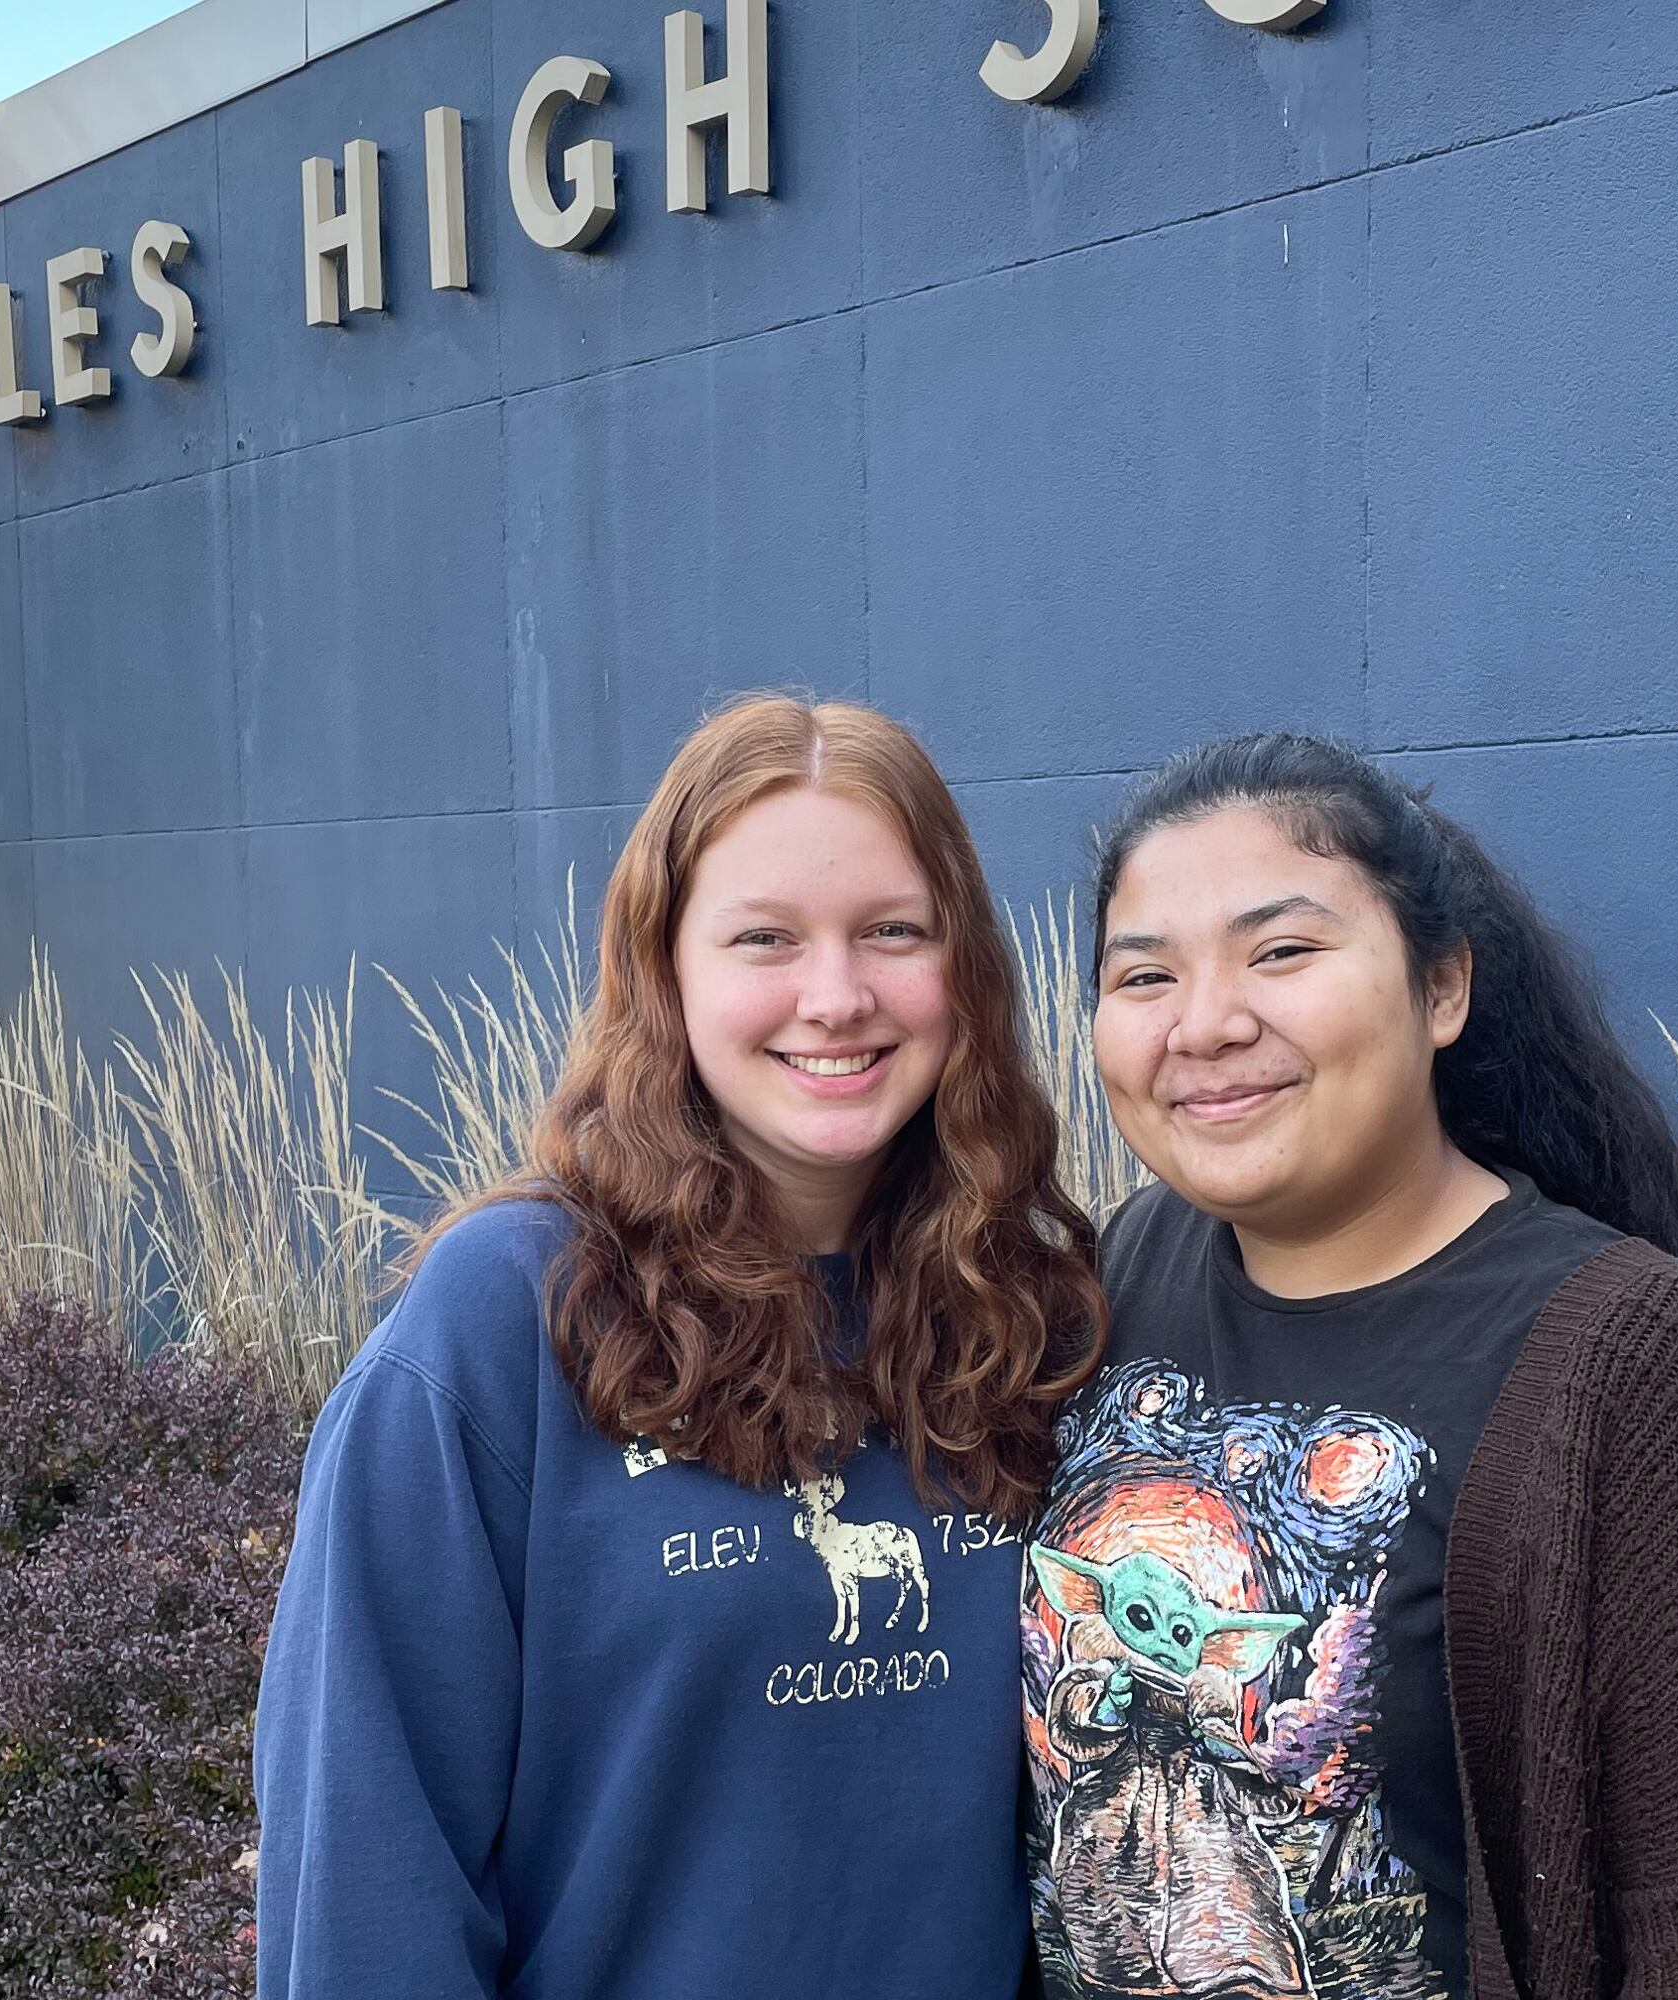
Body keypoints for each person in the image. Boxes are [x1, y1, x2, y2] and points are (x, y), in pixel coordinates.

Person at [256, 696, 1106, 1999]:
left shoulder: (1025, 1315)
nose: (836, 996)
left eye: (893, 931)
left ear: (964, 971)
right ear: (668, 970)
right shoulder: (505, 1326)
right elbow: (370, 1863)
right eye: (765, 937)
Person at [1024, 734, 1678, 2000]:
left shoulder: (1640, 1378)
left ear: (1443, 987)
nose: (1205, 1023)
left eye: (1282, 951)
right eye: (1144, 973)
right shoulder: (1129, 1272)